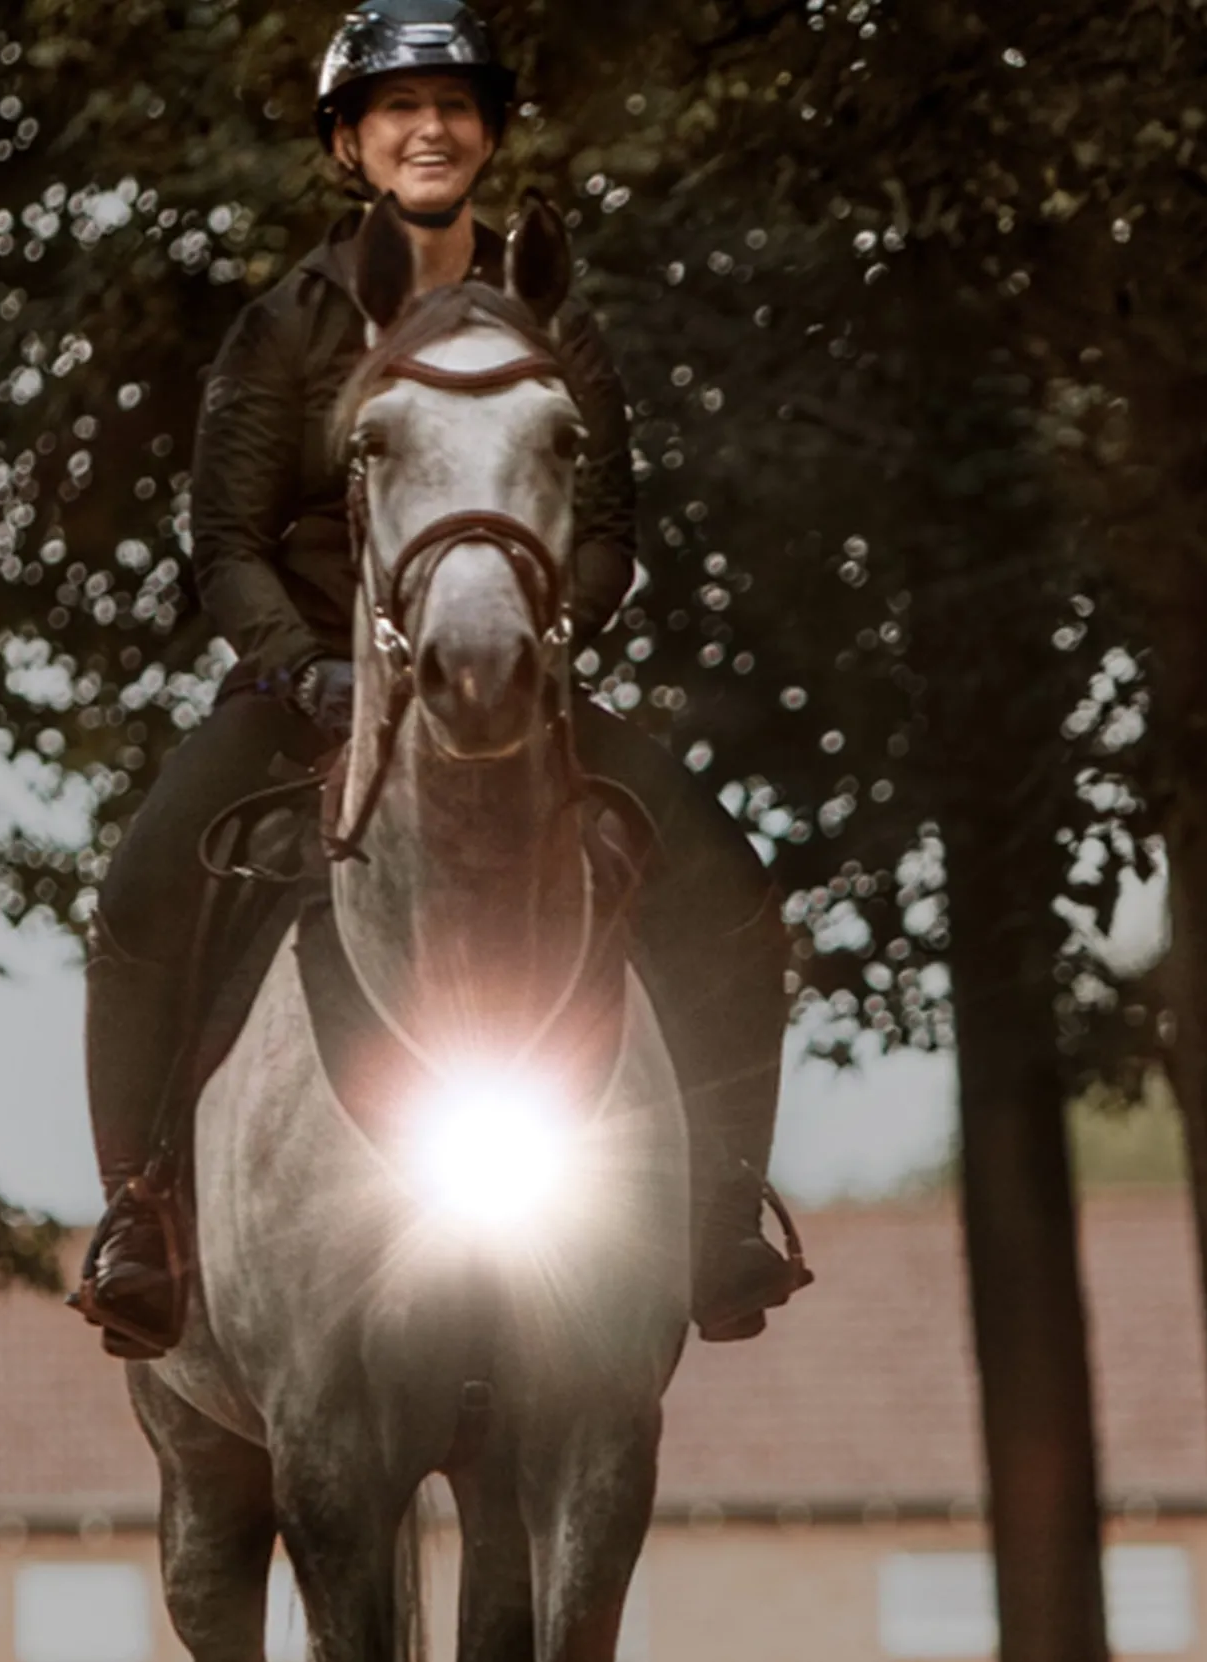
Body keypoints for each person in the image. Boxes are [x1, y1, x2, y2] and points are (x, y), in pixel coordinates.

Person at [79, 0, 807, 1359]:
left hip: (513, 681)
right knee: (138, 896)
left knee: (730, 889)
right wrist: (307, 678)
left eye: (457, 105)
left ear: (489, 133)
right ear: (351, 146)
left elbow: (610, 532)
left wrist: (549, 642)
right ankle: (142, 1209)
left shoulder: (555, 319)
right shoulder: (282, 329)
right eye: (399, 108)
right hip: (311, 694)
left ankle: (718, 1213)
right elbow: (226, 544)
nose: (432, 127)